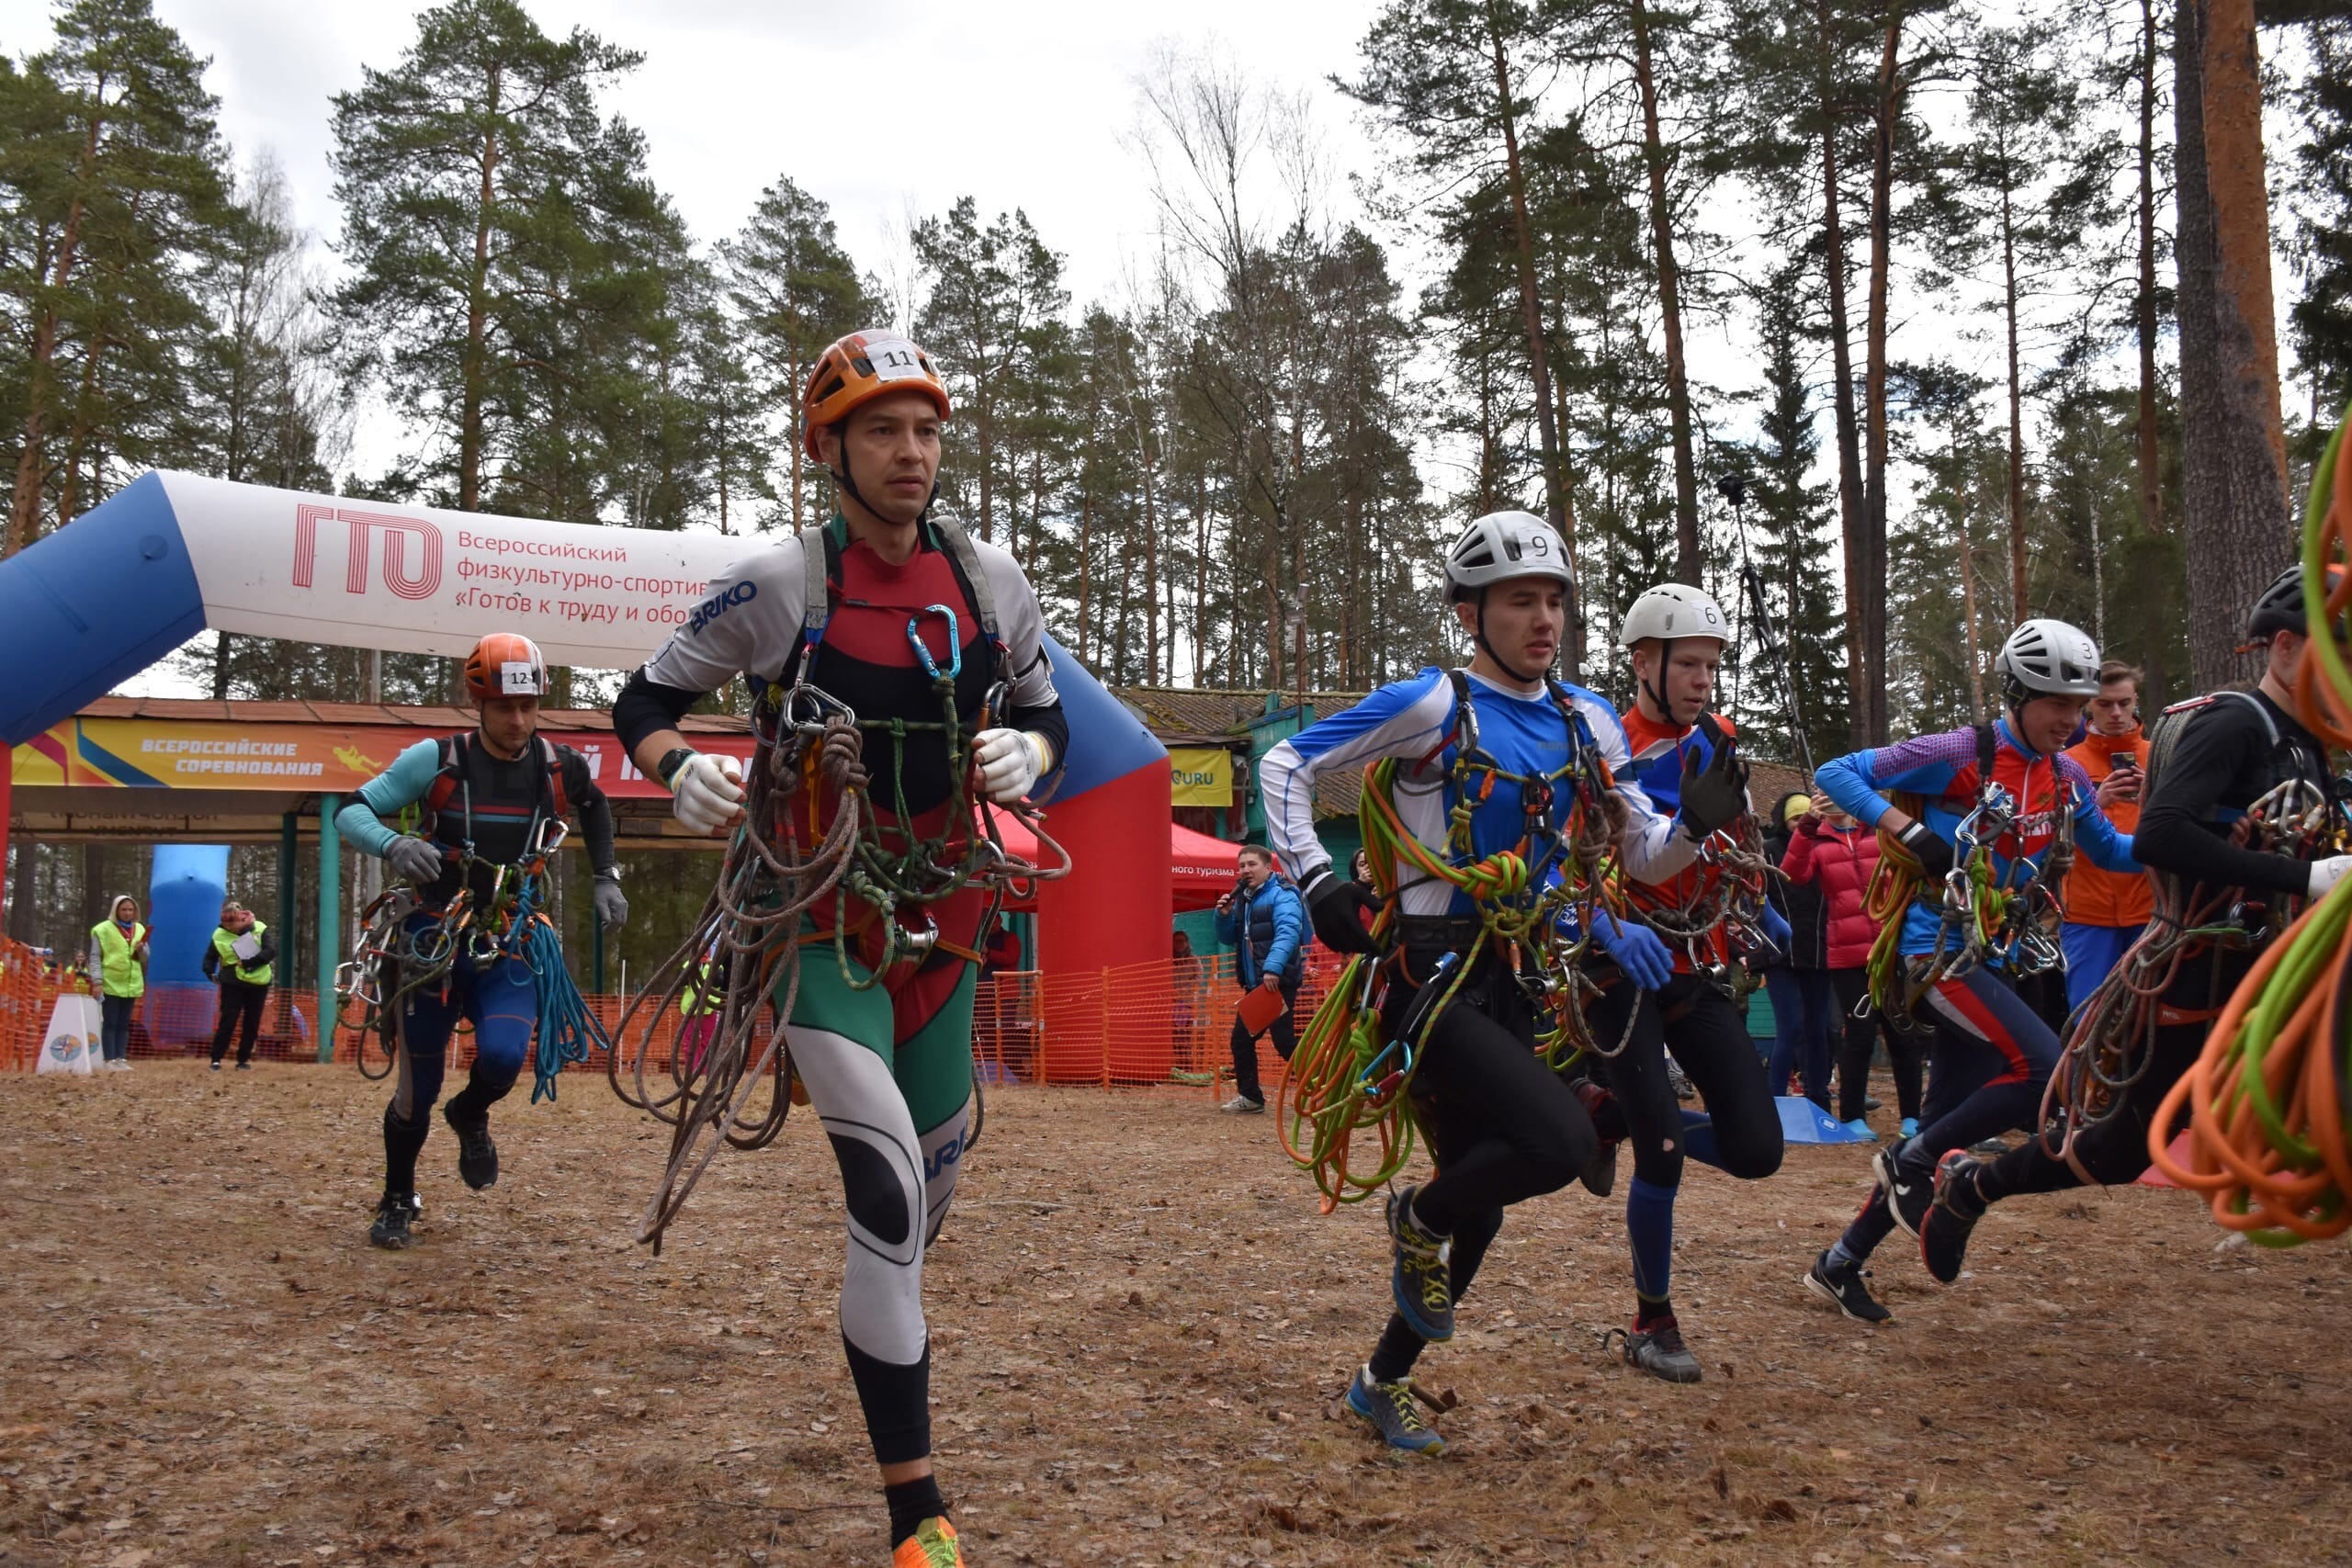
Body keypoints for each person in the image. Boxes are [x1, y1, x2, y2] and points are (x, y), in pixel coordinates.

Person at [610, 329, 1065, 1568]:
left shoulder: (988, 579)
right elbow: (641, 700)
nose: (910, 453)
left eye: (925, 430)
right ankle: (917, 1508)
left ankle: (889, 1351)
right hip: (819, 914)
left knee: (916, 1205)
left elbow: (1045, 710)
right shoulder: (779, 584)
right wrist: (676, 765)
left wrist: (1035, 753)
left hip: (953, 910)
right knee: (883, 1188)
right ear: (829, 449)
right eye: (881, 429)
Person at [1255, 509, 1686, 1455]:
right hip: (1428, 979)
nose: (1543, 620)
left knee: (1482, 1207)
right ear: (1469, 613)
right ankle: (1418, 1214)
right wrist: (1314, 876)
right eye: (1519, 601)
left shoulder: (1590, 721)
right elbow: (1285, 764)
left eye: (1555, 601)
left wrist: (1702, 820)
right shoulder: (1432, 706)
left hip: (1517, 978)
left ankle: (1379, 1381)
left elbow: (1644, 854)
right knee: (1561, 1140)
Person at [1922, 570, 2352, 1278]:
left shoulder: (2305, 743)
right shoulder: (2238, 722)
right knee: (2115, 1153)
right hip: (2195, 978)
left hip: (2266, 975)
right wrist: (2305, 877)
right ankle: (1972, 1183)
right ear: (2283, 647)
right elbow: (2160, 837)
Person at [1801, 618, 2138, 1324]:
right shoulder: (1959, 752)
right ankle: (1912, 1162)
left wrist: (2199, 840)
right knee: (2047, 1073)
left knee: (1945, 1128)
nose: (2071, 720)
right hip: (1933, 955)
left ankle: (1840, 1261)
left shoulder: (2067, 773)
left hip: (1993, 956)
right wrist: (1907, 830)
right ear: (2018, 693)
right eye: (2058, 704)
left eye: (2079, 706)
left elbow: (2112, 851)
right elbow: (1837, 773)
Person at [335, 632, 628, 1251]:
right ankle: (397, 1195)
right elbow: (351, 809)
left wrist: (606, 875)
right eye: (504, 707)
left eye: (527, 706)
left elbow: (597, 807)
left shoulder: (559, 765)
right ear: (479, 703)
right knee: (417, 1089)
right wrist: (393, 843)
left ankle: (471, 1114)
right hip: (430, 940)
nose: (518, 720)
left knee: (501, 1057)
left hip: (512, 937)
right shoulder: (435, 759)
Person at [1594, 583, 1788, 1381]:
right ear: (1645, 661)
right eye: (1689, 663)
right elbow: (1642, 857)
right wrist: (1696, 824)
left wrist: (1757, 905)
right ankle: (1652, 1320)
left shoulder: (1720, 734)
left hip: (1699, 961)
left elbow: (1737, 829)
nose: (1704, 677)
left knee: (1757, 1149)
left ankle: (1612, 1115)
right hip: (1627, 967)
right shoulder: (1612, 745)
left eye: (1712, 663)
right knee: (1665, 1155)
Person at [1781, 791, 1925, 1138]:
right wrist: (1808, 823)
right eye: (1823, 795)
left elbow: (1912, 861)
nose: (1832, 800)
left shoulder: (1879, 830)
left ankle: (1913, 1117)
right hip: (1847, 955)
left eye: (1837, 792)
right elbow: (1792, 873)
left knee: (1903, 1032)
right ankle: (1853, 1116)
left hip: (1892, 946)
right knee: (1858, 1033)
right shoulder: (1816, 840)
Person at [2059, 661, 2154, 1014]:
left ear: (2135, 702)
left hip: (2151, 911)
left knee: (2149, 1019)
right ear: (2088, 706)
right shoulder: (2066, 762)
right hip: (2087, 913)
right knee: (2085, 1019)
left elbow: (2186, 829)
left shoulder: (2161, 756)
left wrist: (2155, 798)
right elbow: (2045, 834)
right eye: (2104, 704)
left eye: (2124, 703)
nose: (2116, 713)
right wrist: (2093, 805)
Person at [1212, 844, 1310, 1112]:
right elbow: (1228, 937)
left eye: (1252, 864)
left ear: (1269, 867)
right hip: (1258, 985)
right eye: (1242, 865)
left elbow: (1288, 931)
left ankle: (1325, 1086)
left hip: (1276, 981)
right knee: (1243, 1041)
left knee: (1284, 1042)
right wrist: (1221, 916)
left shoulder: (1283, 894)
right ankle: (1251, 1097)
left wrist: (1273, 967)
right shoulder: (1244, 897)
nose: (1246, 870)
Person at [1760, 790, 1833, 1111]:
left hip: (1820, 951)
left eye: (1808, 816)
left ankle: (1819, 1098)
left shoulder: (1826, 849)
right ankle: (1774, 1100)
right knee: (1789, 1027)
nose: (1801, 823)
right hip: (1780, 954)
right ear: (1783, 820)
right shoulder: (1768, 852)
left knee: (1819, 1029)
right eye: (1795, 818)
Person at [202, 900, 277, 1071]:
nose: (230, 929)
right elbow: (210, 956)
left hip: (258, 982)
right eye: (226, 926)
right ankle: (216, 1059)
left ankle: (243, 1060)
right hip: (232, 982)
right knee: (228, 1020)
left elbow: (270, 951)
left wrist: (250, 962)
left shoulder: (259, 928)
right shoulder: (219, 934)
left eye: (232, 925)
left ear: (241, 919)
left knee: (252, 1023)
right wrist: (209, 971)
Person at [86, 894, 148, 1071]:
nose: (128, 913)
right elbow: (95, 957)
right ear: (116, 910)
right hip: (110, 982)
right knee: (111, 1022)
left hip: (131, 984)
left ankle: (121, 1057)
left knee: (124, 1023)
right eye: (124, 909)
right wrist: (97, 981)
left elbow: (144, 958)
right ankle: (109, 1059)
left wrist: (141, 950)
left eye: (130, 910)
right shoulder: (102, 930)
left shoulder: (140, 929)